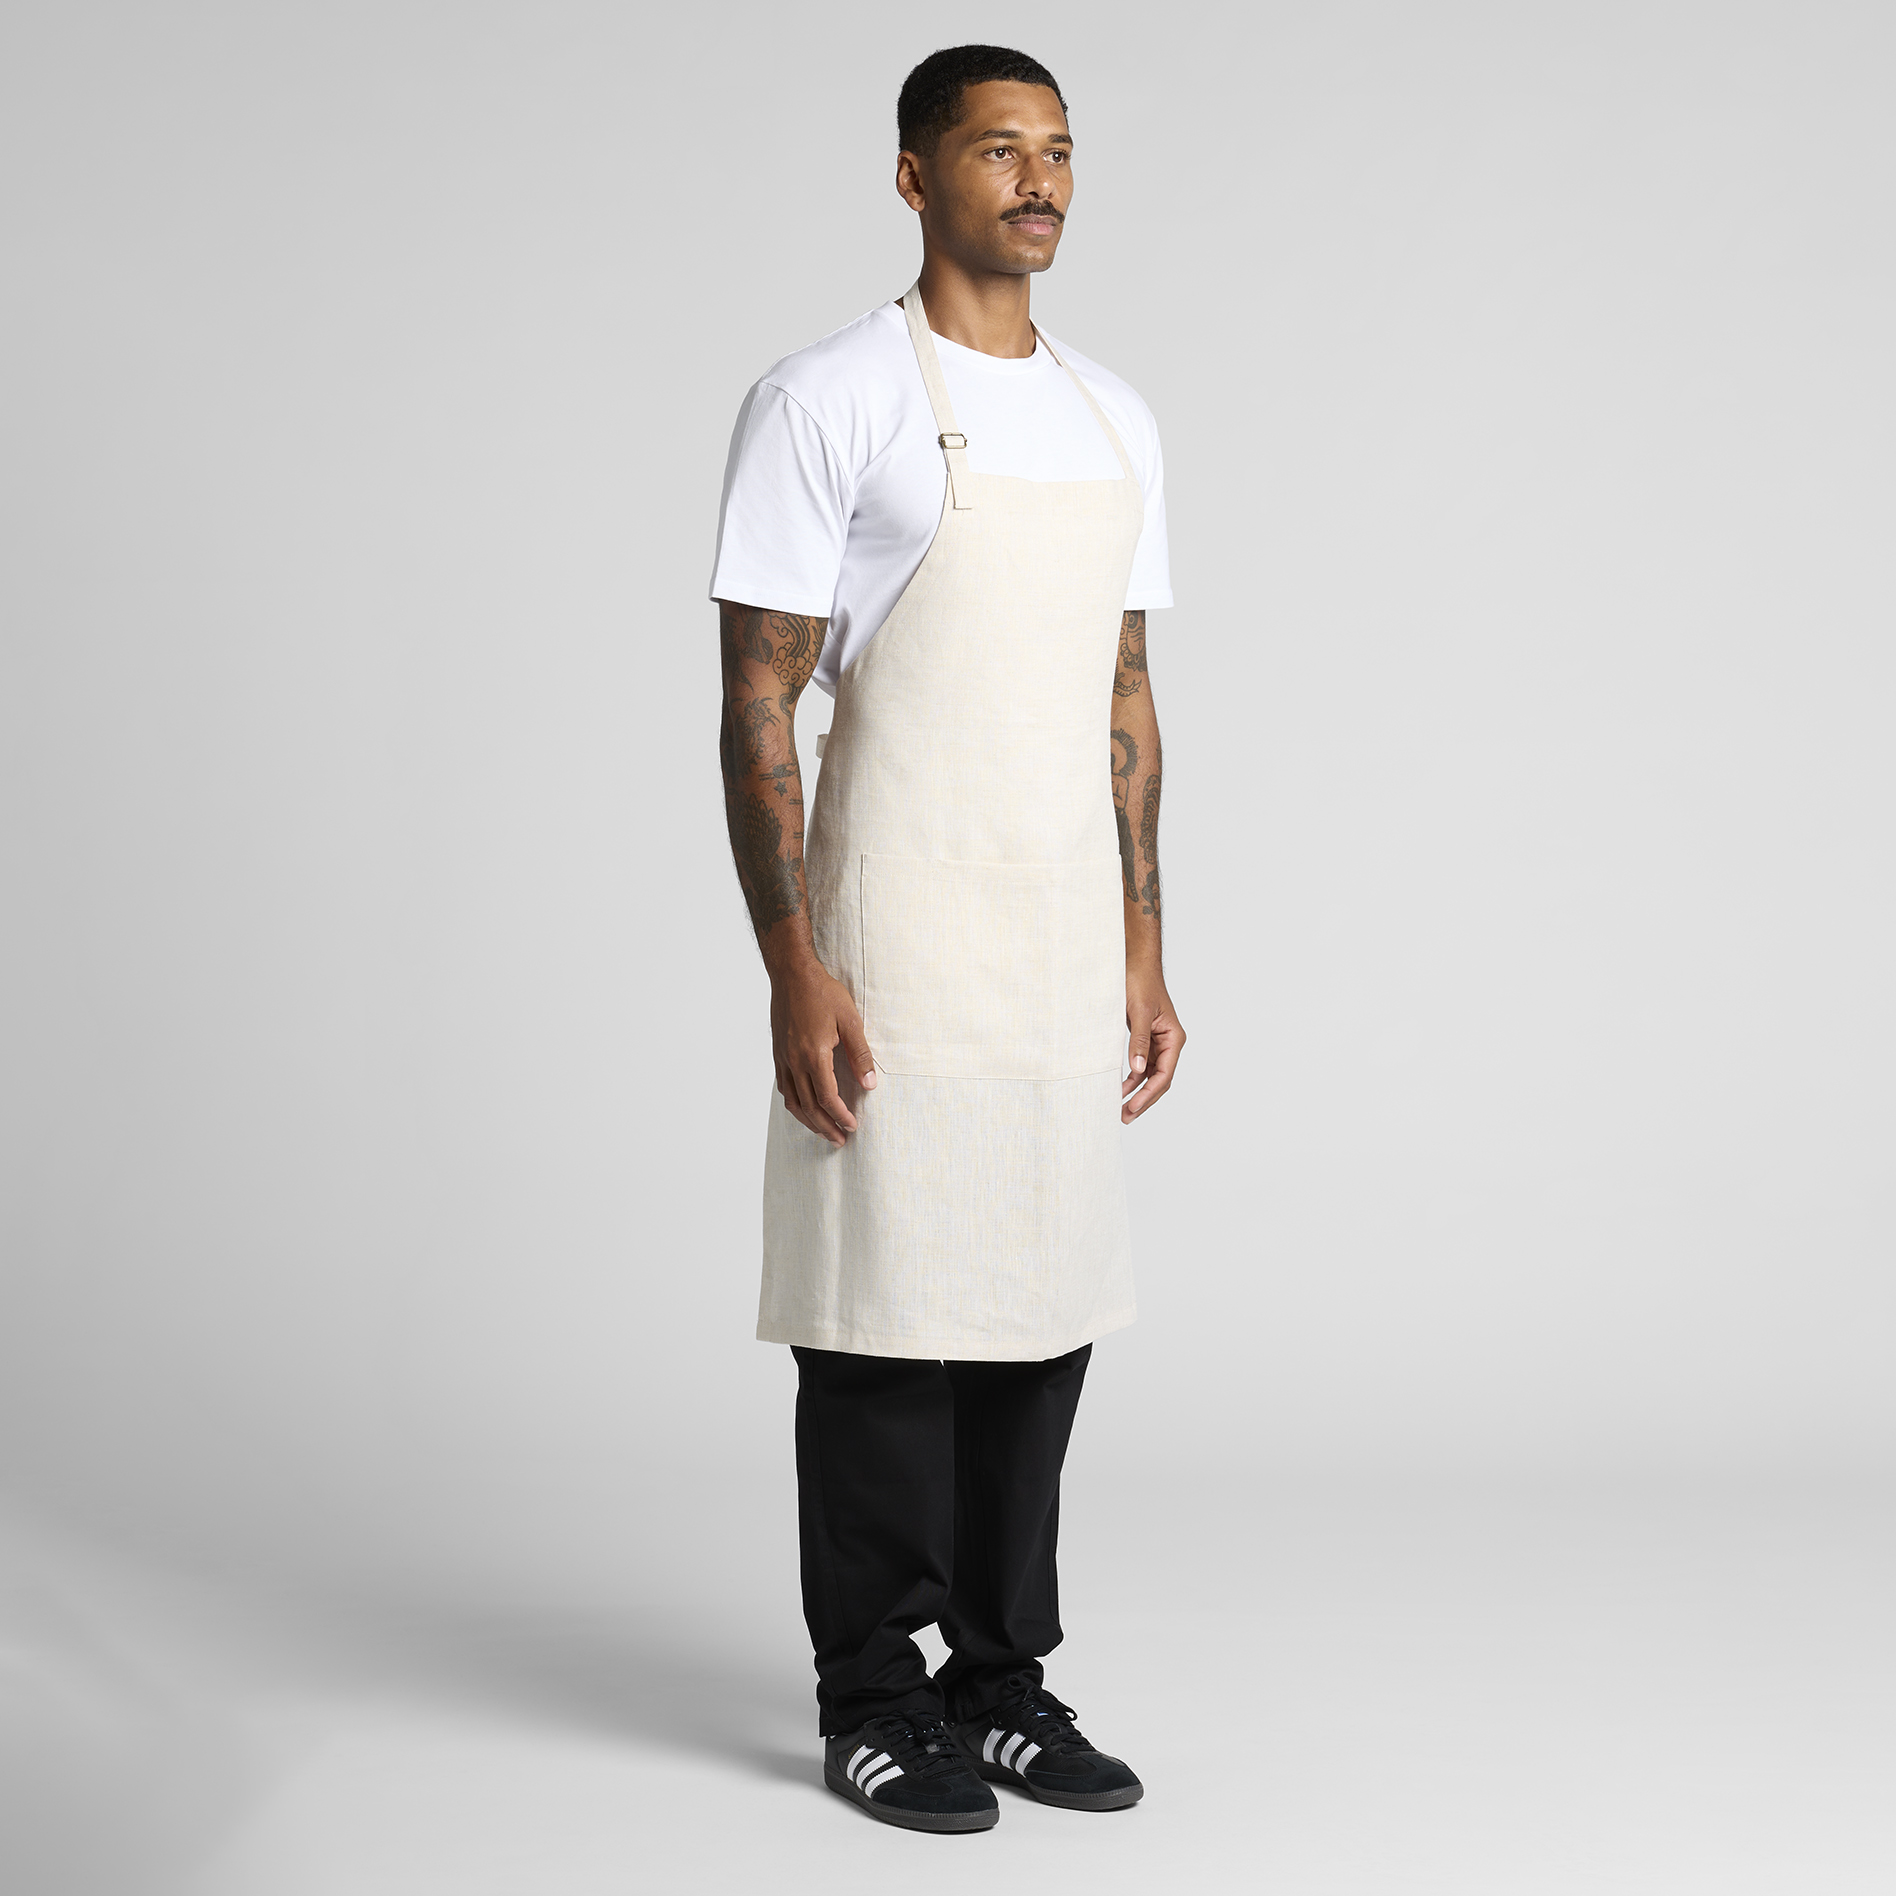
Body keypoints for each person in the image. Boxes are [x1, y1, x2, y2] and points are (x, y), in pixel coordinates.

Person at [711, 44, 1185, 1834]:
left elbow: (1125, 696)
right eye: (999, 149)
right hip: (892, 916)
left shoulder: (1117, 418)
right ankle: (872, 1694)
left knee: (1041, 1309)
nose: (1039, 179)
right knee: (886, 1316)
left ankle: (1001, 1683)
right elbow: (758, 703)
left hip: (1057, 922)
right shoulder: (825, 398)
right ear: (916, 177)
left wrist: (1144, 943)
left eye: (1058, 149)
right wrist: (795, 963)